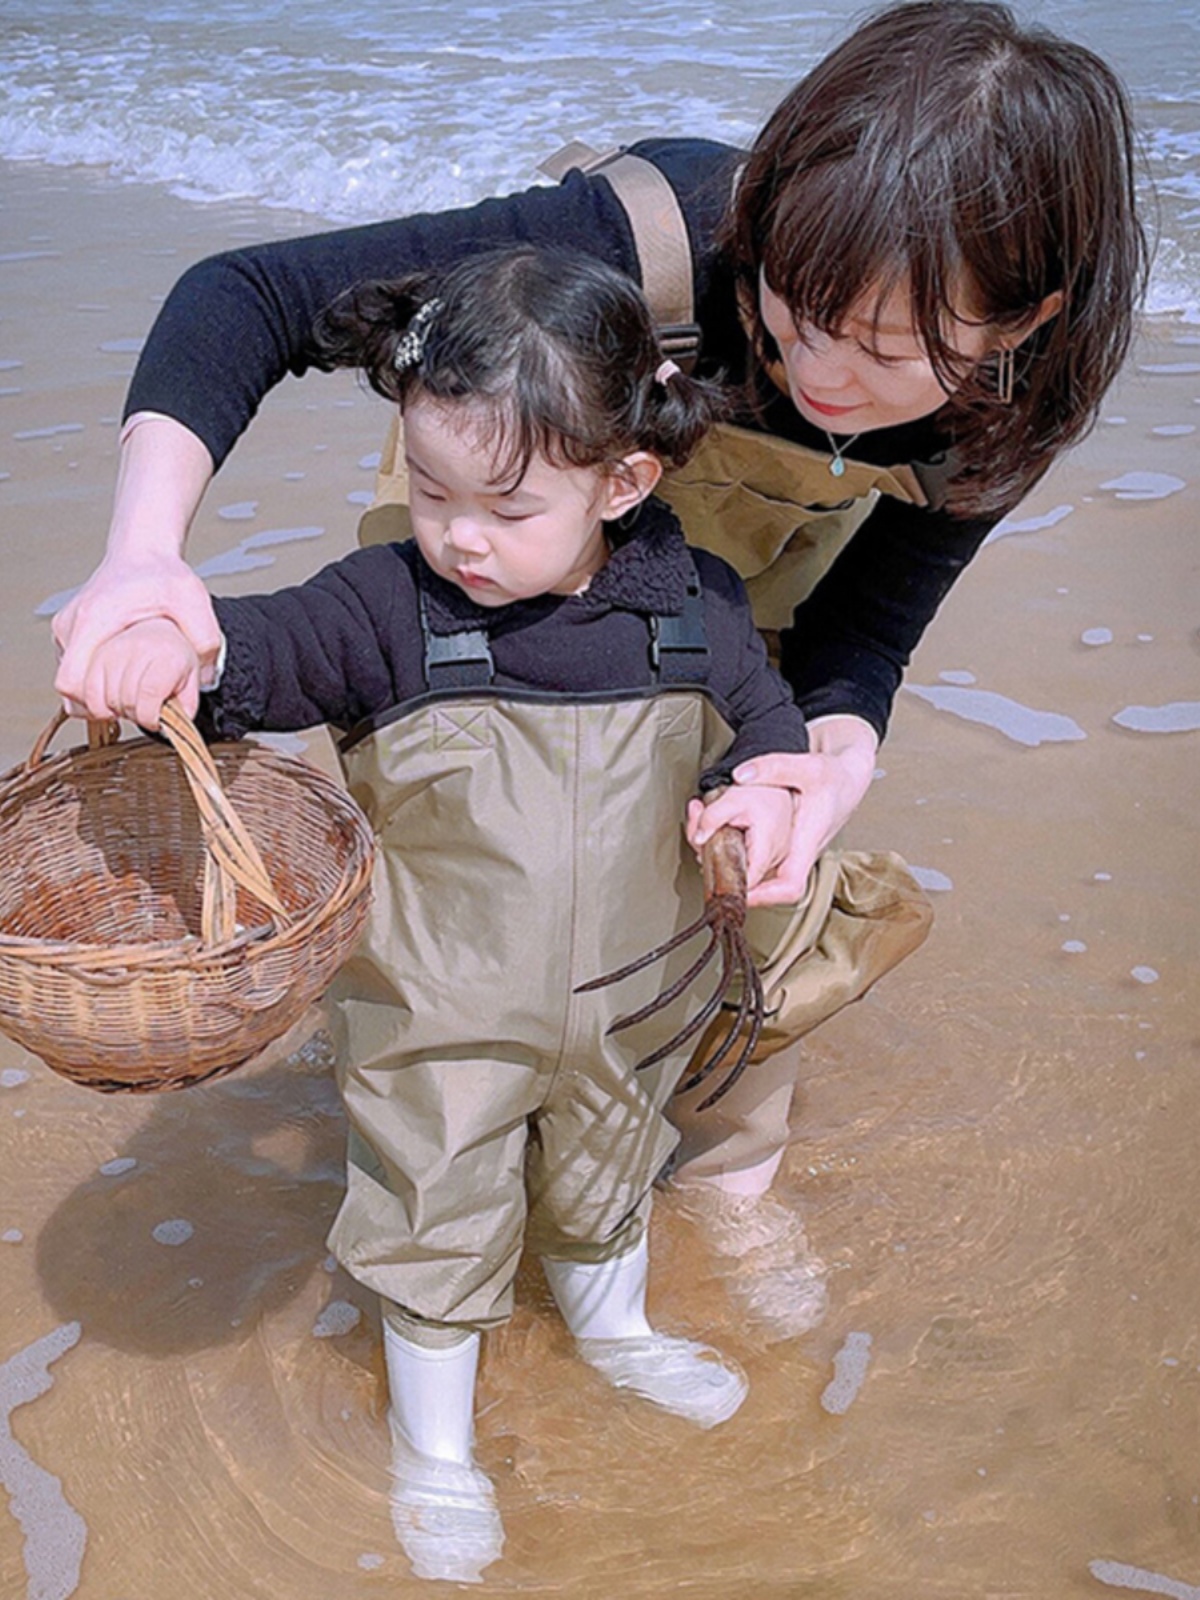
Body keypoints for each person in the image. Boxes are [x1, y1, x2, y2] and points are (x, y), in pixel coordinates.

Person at [52, 0, 1146, 1217]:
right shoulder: (656, 241)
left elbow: (863, 642)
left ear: (1027, 320)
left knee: (715, 904)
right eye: (795, 310)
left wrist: (824, 771)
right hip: (485, 555)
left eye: (886, 356)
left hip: (724, 614)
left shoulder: (1007, 412)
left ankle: (710, 1191)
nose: (826, 375)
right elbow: (244, 294)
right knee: (469, 887)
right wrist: (144, 556)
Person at [81, 246, 927, 1582]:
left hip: (634, 1004)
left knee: (608, 1184)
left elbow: (769, 726)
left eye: (508, 505)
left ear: (625, 480)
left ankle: (617, 1329)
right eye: (431, 490)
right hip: (439, 1028)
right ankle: (435, 1446)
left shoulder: (692, 604)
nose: (461, 535)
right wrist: (173, 647)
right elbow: (261, 651)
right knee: (435, 1218)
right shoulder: (388, 612)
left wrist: (771, 788)